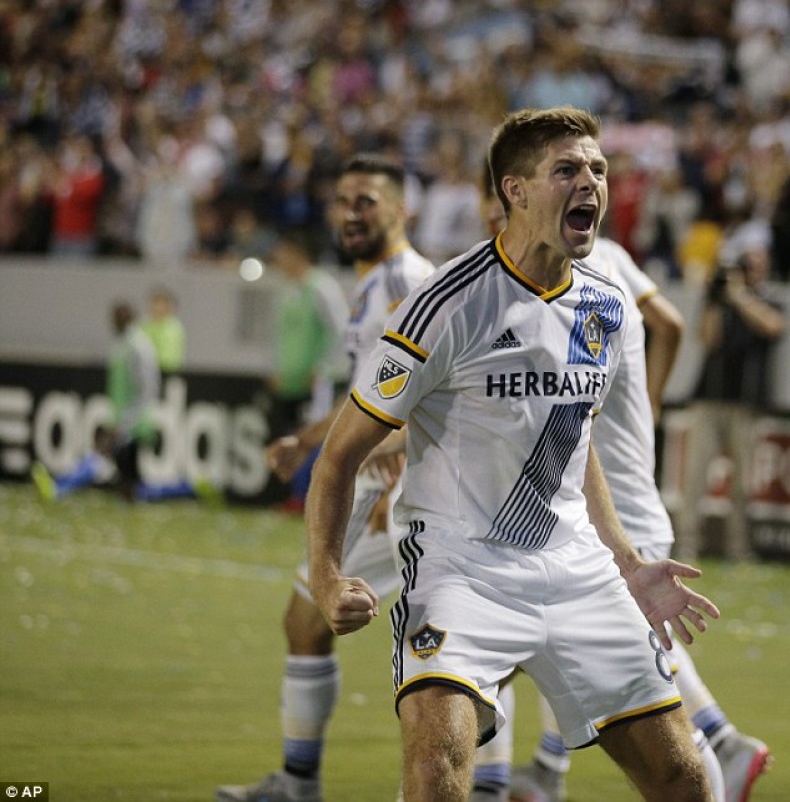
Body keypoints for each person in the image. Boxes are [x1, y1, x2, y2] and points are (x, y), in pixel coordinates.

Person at [305, 107, 719, 801]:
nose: (591, 182)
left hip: (579, 571)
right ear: (515, 191)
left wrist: (626, 561)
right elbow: (338, 456)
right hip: (461, 571)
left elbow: (574, 440)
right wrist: (325, 577)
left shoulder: (606, 307)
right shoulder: (444, 304)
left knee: (684, 777)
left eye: (598, 169)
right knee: (437, 771)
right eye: (568, 169)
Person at [467, 172, 769, 802]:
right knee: (580, 666)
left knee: (518, 663)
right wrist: (645, 407)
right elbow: (670, 323)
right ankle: (546, 772)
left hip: (602, 520)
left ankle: (718, 746)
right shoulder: (612, 261)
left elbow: (552, 412)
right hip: (611, 508)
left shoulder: (561, 281)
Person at [217, 154, 435, 802]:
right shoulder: (370, 284)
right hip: (380, 479)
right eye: (343, 201)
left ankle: (302, 783)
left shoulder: (409, 280)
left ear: (400, 209)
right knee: (317, 623)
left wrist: (398, 480)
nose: (350, 213)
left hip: (394, 486)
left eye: (366, 200)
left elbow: (432, 385)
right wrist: (308, 440)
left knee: (315, 619)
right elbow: (369, 392)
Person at [675, 246, 786, 563]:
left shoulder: (769, 299)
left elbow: (773, 326)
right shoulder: (718, 301)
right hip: (710, 398)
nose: (750, 270)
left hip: (745, 403)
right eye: (745, 265)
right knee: (695, 476)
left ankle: (738, 547)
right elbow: (707, 339)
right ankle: (687, 542)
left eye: (755, 265)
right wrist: (715, 300)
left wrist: (739, 297)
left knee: (743, 482)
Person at [32, 301, 160, 501]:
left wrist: (125, 422)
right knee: (130, 480)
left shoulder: (138, 347)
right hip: (123, 419)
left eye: (116, 318)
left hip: (134, 422)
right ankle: (183, 491)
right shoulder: (122, 344)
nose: (112, 323)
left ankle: (59, 489)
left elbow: (147, 390)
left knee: (102, 456)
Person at [265, 232, 350, 512]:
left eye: (282, 252)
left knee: (314, 434)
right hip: (290, 380)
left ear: (297, 253)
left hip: (317, 381)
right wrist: (277, 368)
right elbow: (282, 337)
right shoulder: (289, 289)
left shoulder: (322, 287)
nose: (278, 259)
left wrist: (323, 368)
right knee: (292, 436)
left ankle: (311, 497)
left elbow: (340, 331)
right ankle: (295, 496)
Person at [141, 286, 187, 377]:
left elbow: (171, 359)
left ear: (168, 306)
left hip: (168, 374)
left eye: (160, 304)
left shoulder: (175, 328)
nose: (157, 308)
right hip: (144, 373)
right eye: (154, 303)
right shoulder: (143, 326)